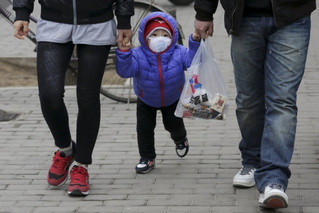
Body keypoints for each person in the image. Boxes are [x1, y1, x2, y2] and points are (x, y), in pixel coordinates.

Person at [194, 0, 316, 209]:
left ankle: (273, 179)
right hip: (243, 17)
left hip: (292, 16)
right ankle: (252, 159)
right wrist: (204, 11)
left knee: (282, 101)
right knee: (248, 101)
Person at [13, 0, 134, 196]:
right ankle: (66, 148)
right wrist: (21, 12)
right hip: (53, 21)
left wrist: (124, 20)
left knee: (87, 96)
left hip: (97, 23)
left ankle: (82, 165)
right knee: (49, 94)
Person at [116, 11, 201, 174]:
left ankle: (180, 139)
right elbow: (125, 71)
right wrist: (124, 53)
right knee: (144, 129)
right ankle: (147, 157)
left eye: (164, 35)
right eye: (154, 34)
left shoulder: (179, 52)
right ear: (145, 37)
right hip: (146, 99)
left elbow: (193, 63)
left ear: (173, 37)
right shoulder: (138, 55)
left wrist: (195, 43)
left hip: (172, 98)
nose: (159, 39)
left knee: (173, 125)